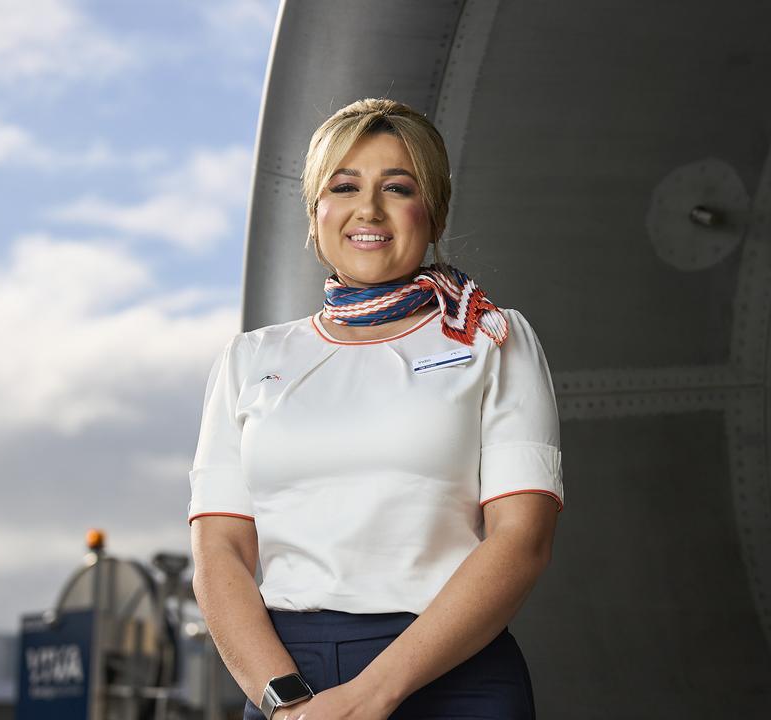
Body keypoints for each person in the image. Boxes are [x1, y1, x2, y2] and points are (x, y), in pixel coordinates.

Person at [186, 98, 564, 720]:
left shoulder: (491, 336)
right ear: (315, 214)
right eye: (344, 186)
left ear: (434, 211)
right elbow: (219, 549)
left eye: (398, 187)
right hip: (286, 682)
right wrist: (283, 704)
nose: (369, 209)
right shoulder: (248, 359)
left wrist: (374, 693)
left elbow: (522, 539)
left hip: (452, 675)